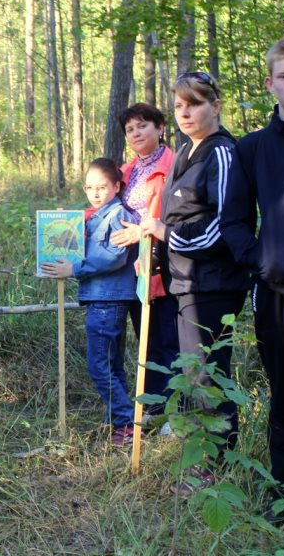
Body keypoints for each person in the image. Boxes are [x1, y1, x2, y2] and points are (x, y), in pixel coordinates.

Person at [220, 36, 284, 522]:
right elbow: (233, 221)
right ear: (270, 85)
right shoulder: (252, 148)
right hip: (275, 296)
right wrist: (259, 261)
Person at [140, 72, 250, 493]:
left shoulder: (221, 152)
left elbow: (223, 226)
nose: (186, 112)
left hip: (214, 284)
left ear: (216, 105)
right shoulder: (186, 150)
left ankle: (216, 464)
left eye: (196, 103)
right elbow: (172, 217)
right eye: (180, 105)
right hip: (185, 282)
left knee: (208, 374)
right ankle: (200, 452)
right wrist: (154, 250)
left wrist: (166, 234)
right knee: (193, 372)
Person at [42, 158, 138, 447]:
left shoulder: (119, 214)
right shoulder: (94, 217)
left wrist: (73, 269)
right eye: (89, 188)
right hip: (102, 298)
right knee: (112, 365)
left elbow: (114, 255)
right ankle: (118, 421)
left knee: (99, 366)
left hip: (108, 300)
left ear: (117, 186)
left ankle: (126, 421)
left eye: (102, 187)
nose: (95, 193)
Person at [110, 104, 180, 430]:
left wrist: (145, 231)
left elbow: (180, 215)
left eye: (143, 126)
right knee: (146, 335)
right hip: (134, 268)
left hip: (166, 262)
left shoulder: (176, 165)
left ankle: (176, 409)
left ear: (160, 127)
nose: (136, 133)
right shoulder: (125, 173)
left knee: (170, 335)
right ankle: (153, 403)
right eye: (130, 130)